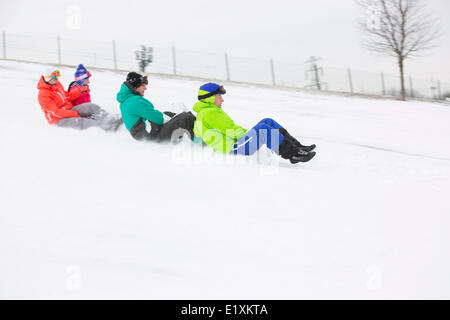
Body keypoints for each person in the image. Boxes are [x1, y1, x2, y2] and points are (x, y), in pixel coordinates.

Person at [192, 83, 316, 164]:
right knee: (263, 128)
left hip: (233, 144)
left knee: (267, 121)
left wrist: (251, 134)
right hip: (232, 148)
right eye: (219, 96)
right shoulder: (209, 113)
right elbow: (231, 130)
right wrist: (252, 134)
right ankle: (293, 154)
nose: (222, 99)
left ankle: (297, 147)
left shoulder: (207, 111)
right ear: (210, 97)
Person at [117, 72, 195, 142]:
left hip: (148, 134)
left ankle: (189, 138)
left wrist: (173, 116)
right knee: (186, 117)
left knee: (173, 115)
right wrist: (175, 117)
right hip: (154, 137)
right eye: (142, 85)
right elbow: (159, 119)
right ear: (136, 86)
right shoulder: (136, 101)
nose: (145, 88)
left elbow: (149, 117)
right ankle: (201, 143)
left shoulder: (126, 100)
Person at [37, 67, 122, 131]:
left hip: (69, 109)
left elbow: (68, 97)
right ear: (48, 78)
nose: (57, 78)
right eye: (55, 77)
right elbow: (55, 112)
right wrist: (74, 114)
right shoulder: (43, 94)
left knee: (90, 106)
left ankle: (109, 118)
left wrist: (80, 90)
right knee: (82, 122)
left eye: (58, 75)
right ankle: (107, 127)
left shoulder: (57, 85)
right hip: (58, 119)